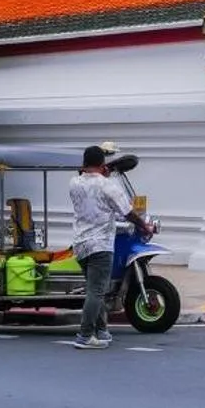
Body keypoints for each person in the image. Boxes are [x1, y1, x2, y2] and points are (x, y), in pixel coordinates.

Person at [69, 144, 136, 349]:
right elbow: (127, 212)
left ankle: (102, 331)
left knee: (93, 289)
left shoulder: (74, 183)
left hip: (80, 244)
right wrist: (145, 226)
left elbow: (85, 178)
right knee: (97, 292)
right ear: (102, 164)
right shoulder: (107, 185)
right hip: (100, 244)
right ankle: (85, 335)